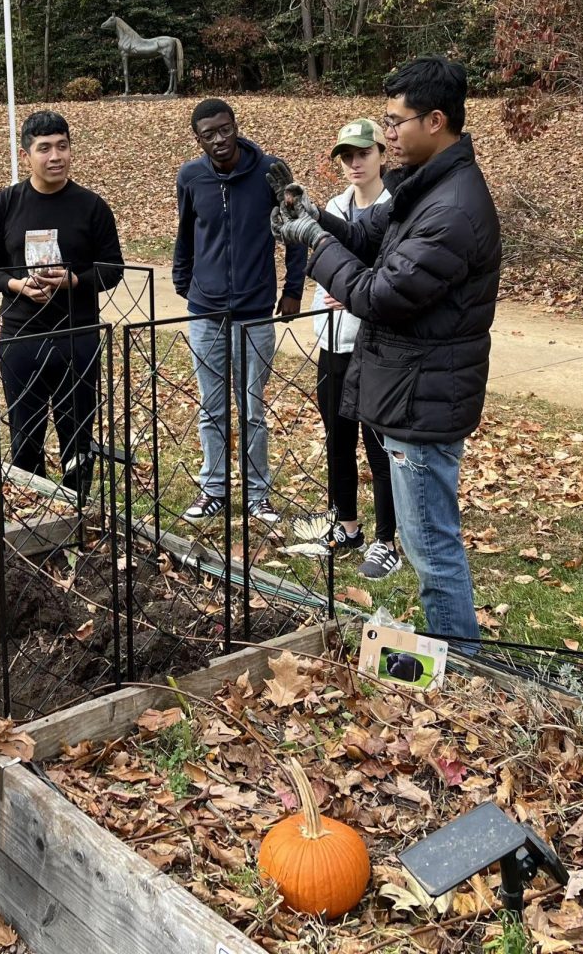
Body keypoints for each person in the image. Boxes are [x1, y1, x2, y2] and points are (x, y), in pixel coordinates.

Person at [271, 56, 500, 651]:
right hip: (413, 390)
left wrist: (315, 246)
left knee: (430, 545)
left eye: (397, 121)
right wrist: (314, 218)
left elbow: (379, 293)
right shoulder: (428, 186)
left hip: (424, 400)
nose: (387, 133)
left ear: (437, 121)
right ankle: (454, 656)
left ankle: (463, 665)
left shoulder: (450, 209)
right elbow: (373, 234)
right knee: (430, 538)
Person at [0, 110, 125, 502]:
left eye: (62, 146)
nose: (55, 156)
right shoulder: (4, 205)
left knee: (78, 433)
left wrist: (75, 280)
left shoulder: (92, 207)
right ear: (27, 155)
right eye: (44, 148)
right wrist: (16, 285)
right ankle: (33, 510)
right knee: (25, 434)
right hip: (22, 336)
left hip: (77, 336)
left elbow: (112, 269)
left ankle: (77, 507)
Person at [172, 99, 307, 526]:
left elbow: (295, 232)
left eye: (224, 129)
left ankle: (256, 494)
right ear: (198, 139)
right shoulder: (191, 177)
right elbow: (186, 233)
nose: (219, 140)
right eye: (208, 134)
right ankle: (213, 488)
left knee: (251, 407)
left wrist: (293, 290)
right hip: (205, 312)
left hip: (254, 310)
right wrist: (184, 281)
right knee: (211, 408)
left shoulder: (269, 172)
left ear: (236, 126)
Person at [313, 118, 400, 579]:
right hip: (333, 342)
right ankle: (346, 524)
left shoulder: (395, 209)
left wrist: (348, 286)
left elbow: (381, 282)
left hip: (376, 347)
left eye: (363, 153)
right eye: (346, 155)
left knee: (379, 446)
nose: (354, 162)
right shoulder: (333, 206)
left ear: (382, 155)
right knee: (338, 439)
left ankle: (388, 540)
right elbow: (322, 274)